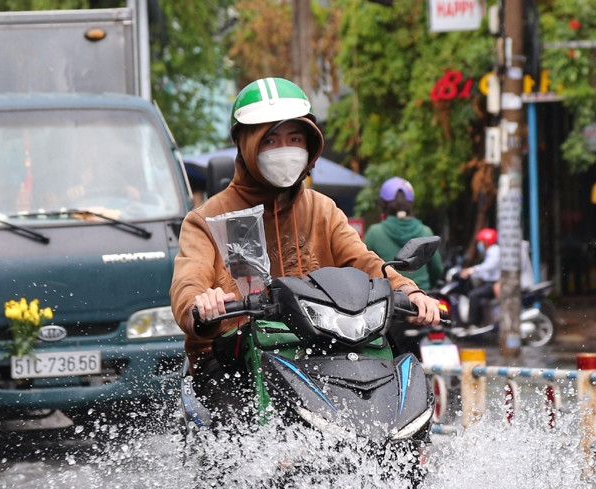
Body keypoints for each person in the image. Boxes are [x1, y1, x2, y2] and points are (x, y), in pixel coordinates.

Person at [169, 77, 440, 414]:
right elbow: (188, 283)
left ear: (311, 145)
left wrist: (409, 291)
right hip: (232, 359)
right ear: (247, 144)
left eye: (294, 138)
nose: (285, 150)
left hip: (326, 350)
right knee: (239, 435)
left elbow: (364, 261)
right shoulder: (207, 218)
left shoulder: (321, 209)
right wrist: (203, 304)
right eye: (270, 139)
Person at [364, 177, 443, 291]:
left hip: (387, 300)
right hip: (422, 299)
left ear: (383, 204)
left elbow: (364, 268)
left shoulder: (374, 233)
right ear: (411, 204)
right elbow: (437, 269)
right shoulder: (426, 232)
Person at [459, 227, 500, 327]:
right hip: (489, 283)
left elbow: (488, 266)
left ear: (486, 241)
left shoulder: (494, 251)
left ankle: (473, 323)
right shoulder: (490, 251)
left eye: (481, 241)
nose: (480, 243)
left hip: (494, 284)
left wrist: (471, 270)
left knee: (474, 295)